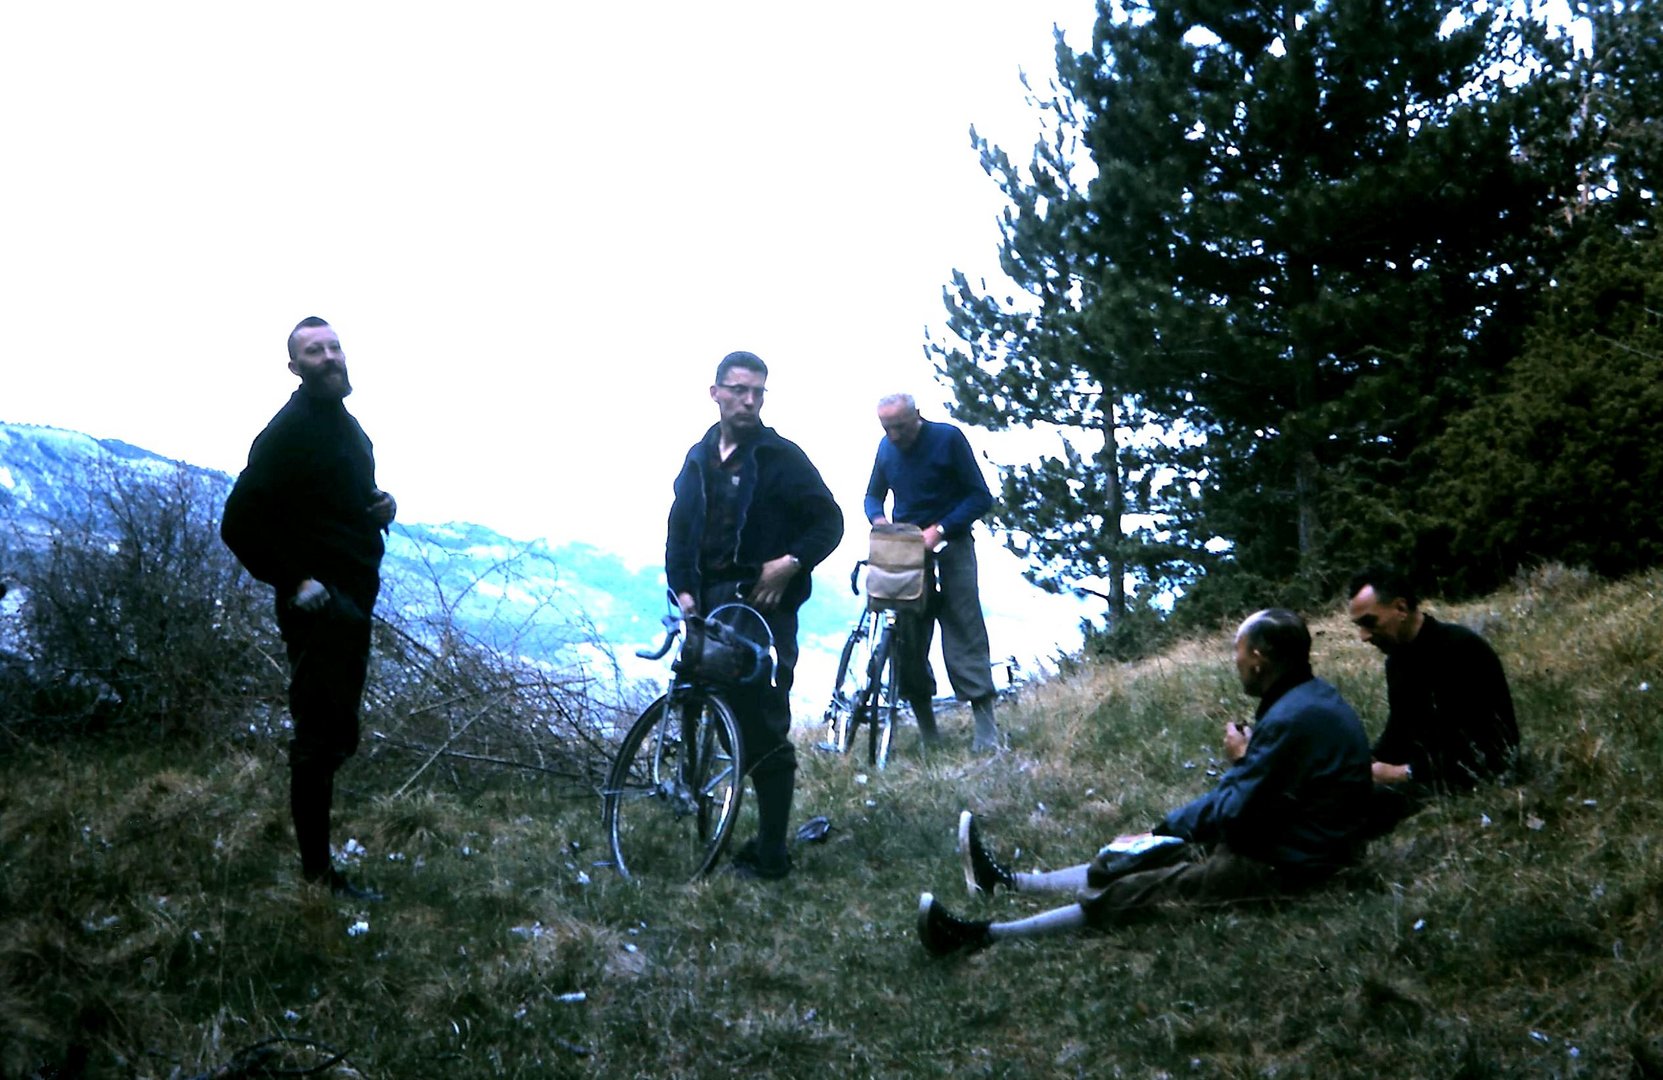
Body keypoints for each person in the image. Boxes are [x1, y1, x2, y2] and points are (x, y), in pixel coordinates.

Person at [917, 608, 1374, 955]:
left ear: (1258, 658)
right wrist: (1161, 834)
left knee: (1137, 889)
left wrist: (1234, 765)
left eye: (1237, 651)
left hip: (1295, 864)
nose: (1233, 661)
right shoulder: (1305, 700)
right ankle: (1009, 883)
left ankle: (980, 937)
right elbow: (1259, 796)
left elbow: (1236, 810)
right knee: (1140, 853)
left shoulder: (1290, 718)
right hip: (1289, 840)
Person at [222, 316, 396, 901]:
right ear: (294, 368)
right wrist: (295, 579)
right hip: (319, 607)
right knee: (319, 738)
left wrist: (380, 506)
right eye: (313, 351)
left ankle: (317, 865)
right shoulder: (289, 432)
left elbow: (333, 504)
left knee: (337, 734)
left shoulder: (347, 430)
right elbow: (238, 522)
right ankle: (317, 878)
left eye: (333, 346)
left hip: (352, 603)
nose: (328, 357)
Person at [666, 351, 843, 880]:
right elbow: (678, 530)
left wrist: (787, 566)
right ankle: (709, 826)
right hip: (707, 604)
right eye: (739, 390)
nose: (749, 400)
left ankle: (771, 855)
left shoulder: (781, 458)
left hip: (763, 610)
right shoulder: (698, 457)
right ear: (715, 392)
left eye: (758, 392)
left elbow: (828, 522)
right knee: (707, 712)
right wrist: (683, 591)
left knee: (762, 723)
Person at [863, 393, 1000, 751]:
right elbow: (872, 496)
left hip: (953, 546)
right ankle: (929, 733)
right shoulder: (886, 447)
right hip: (905, 553)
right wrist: (880, 522)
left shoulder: (948, 438)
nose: (894, 436)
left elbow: (980, 497)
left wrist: (940, 529)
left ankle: (986, 728)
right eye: (887, 428)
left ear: (917, 417)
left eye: (901, 427)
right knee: (906, 637)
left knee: (963, 628)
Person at [1346, 566, 1519, 792]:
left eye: (1370, 622)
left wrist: (1404, 773)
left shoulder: (1462, 650)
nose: (1364, 636)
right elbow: (1400, 730)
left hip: (1468, 782)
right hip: (1427, 774)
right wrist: (1367, 762)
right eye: (1359, 626)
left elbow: (1487, 748)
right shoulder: (1398, 660)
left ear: (1401, 608)